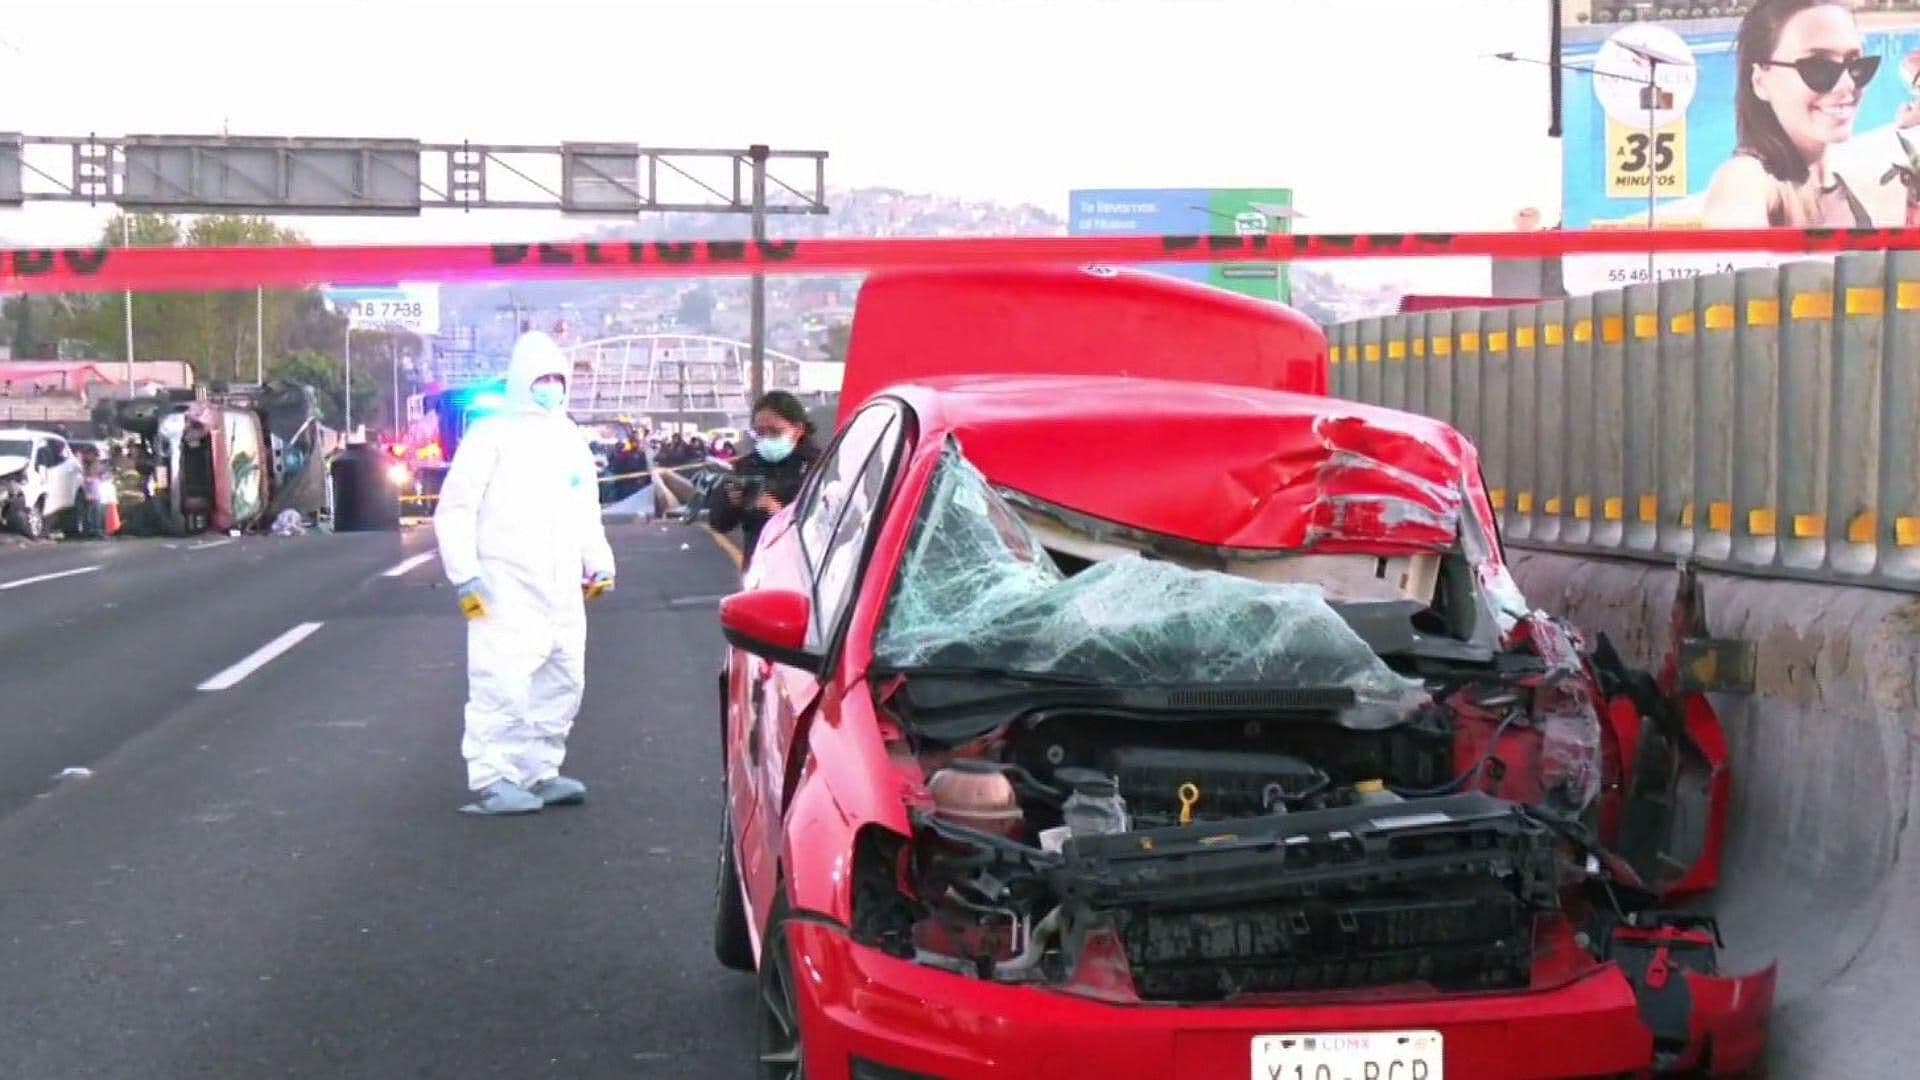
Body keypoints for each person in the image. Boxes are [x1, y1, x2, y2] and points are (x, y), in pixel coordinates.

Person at [433, 331, 617, 816]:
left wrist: (599, 563)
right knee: (502, 682)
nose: (552, 386)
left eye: (558, 378)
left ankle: (540, 770)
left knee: (564, 680)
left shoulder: (569, 438)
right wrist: (465, 575)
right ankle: (495, 777)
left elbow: (586, 512)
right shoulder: (490, 436)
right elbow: (455, 509)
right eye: (542, 378)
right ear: (521, 381)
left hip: (561, 590)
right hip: (504, 587)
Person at [1703, 0, 1899, 227]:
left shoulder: (1835, 185)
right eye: (1818, 67)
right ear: (1760, 81)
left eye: (1855, 65)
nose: (1846, 85)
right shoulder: (1745, 181)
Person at [705, 390, 823, 566]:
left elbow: (826, 524)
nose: (766, 439)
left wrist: (778, 512)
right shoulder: (747, 465)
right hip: (758, 569)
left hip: (803, 568)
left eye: (775, 432)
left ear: (798, 429)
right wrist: (730, 501)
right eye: (760, 433)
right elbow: (719, 523)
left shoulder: (819, 466)